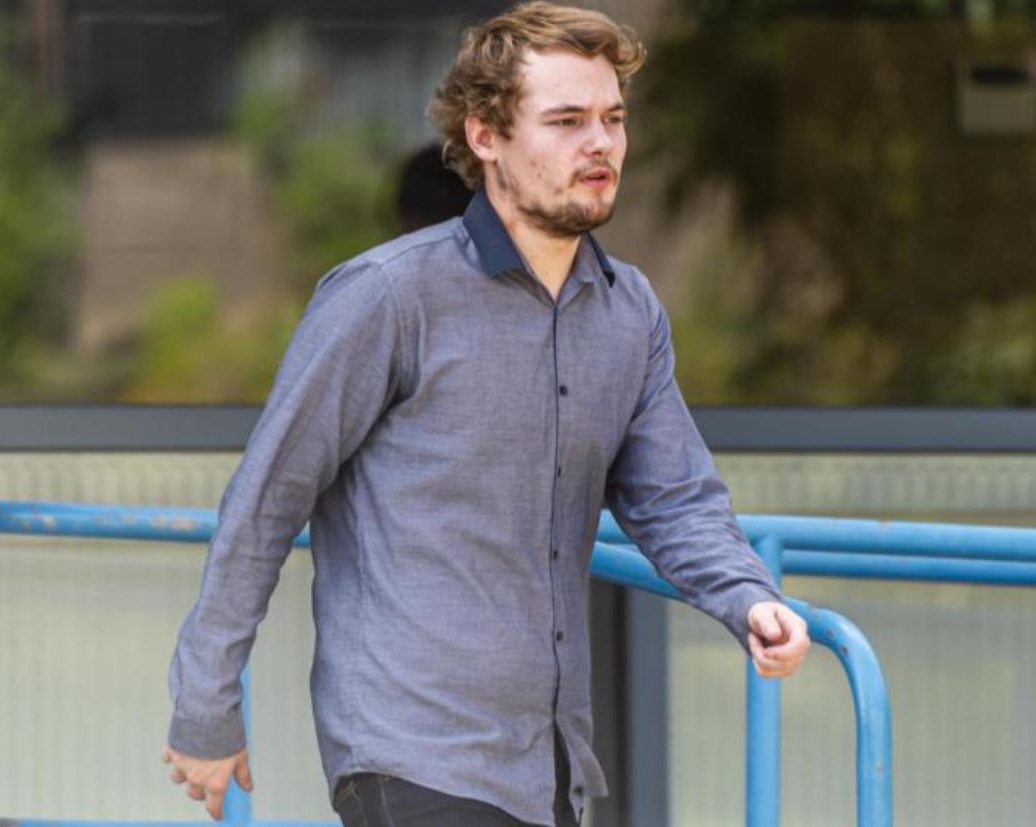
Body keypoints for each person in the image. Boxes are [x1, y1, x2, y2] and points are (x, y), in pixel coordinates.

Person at [161, 3, 810, 825]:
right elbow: (266, 501)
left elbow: (674, 498)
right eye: (566, 121)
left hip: (549, 765)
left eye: (612, 118)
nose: (600, 143)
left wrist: (748, 597)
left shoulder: (628, 311)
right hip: (412, 752)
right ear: (484, 136)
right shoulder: (388, 296)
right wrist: (206, 704)